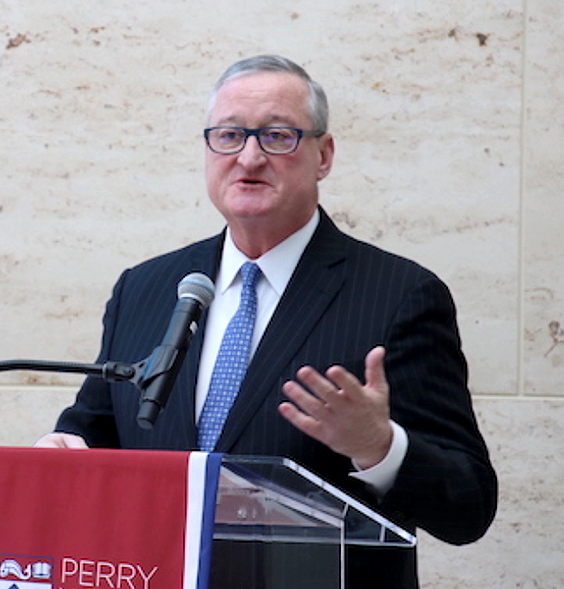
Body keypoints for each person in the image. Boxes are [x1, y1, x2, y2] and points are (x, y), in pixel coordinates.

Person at [36, 55, 497, 588]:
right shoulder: (147, 287)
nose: (249, 157)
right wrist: (66, 450)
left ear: (323, 156)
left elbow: (470, 506)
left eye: (277, 136)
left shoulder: (399, 296)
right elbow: (93, 429)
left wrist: (379, 447)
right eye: (229, 135)